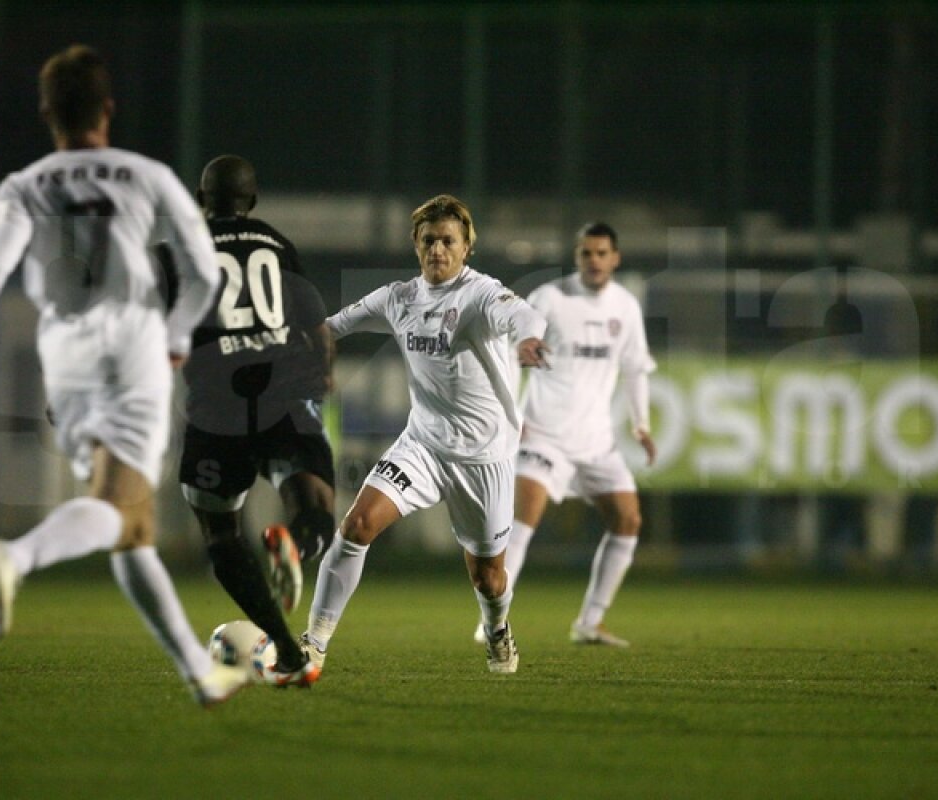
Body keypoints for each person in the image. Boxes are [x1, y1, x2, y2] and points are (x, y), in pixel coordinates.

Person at [0, 44, 252, 707]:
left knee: (131, 527)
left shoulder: (25, 183)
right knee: (118, 509)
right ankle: (21, 557)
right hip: (130, 338)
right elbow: (204, 268)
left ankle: (199, 673)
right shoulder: (144, 174)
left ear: (47, 112)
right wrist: (178, 333)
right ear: (107, 109)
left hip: (62, 347)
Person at [299, 194, 549, 675]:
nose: (439, 249)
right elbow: (333, 327)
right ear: (416, 245)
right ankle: (314, 643)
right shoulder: (398, 298)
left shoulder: (480, 295)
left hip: (484, 458)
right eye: (430, 240)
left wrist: (530, 339)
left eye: (448, 241)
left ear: (466, 248)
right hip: (423, 447)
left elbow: (522, 316)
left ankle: (498, 631)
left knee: (489, 578)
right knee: (355, 527)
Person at [177, 154, 334, 688]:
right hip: (284, 391)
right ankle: (294, 543)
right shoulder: (274, 242)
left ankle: (289, 652)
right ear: (253, 200)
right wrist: (324, 374)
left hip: (216, 404)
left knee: (221, 536)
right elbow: (316, 323)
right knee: (313, 502)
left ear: (201, 200)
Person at [475, 221, 656, 648]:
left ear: (615, 258)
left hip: (597, 441)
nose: (593, 261)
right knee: (521, 520)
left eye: (601, 253)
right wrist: (512, 415)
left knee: (628, 519)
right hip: (544, 433)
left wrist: (642, 423)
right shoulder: (550, 299)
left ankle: (590, 622)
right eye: (586, 253)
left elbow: (635, 368)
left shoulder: (625, 308)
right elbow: (510, 352)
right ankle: (492, 619)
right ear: (576, 258)